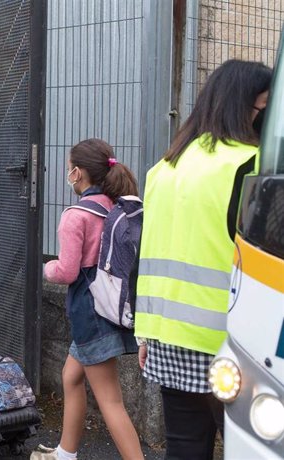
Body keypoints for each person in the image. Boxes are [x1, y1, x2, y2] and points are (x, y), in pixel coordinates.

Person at [135, 59, 272, 460]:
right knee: (250, 448)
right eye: (266, 108)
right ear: (245, 107)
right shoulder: (250, 165)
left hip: (168, 335)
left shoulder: (165, 166)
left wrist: (146, 331)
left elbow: (148, 254)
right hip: (234, 342)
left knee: (185, 446)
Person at [43, 139, 143, 460]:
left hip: (90, 311)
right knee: (71, 377)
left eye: (69, 168)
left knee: (111, 401)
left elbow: (68, 271)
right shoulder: (116, 208)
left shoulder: (76, 216)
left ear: (78, 173)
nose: (67, 174)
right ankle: (65, 453)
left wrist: (47, 268)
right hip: (113, 305)